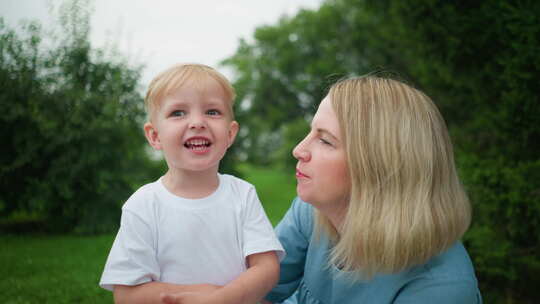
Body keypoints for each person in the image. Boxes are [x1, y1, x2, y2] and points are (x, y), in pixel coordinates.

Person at [263, 75, 482, 303]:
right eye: (311, 132)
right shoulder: (313, 212)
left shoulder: (440, 289)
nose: (298, 150)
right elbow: (252, 291)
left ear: (381, 167)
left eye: (325, 140)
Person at [99, 63, 284, 304]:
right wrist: (193, 297)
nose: (197, 122)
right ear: (155, 136)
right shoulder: (144, 204)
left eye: (212, 112)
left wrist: (222, 300)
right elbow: (126, 293)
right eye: (178, 113)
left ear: (230, 133)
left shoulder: (242, 194)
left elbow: (266, 268)